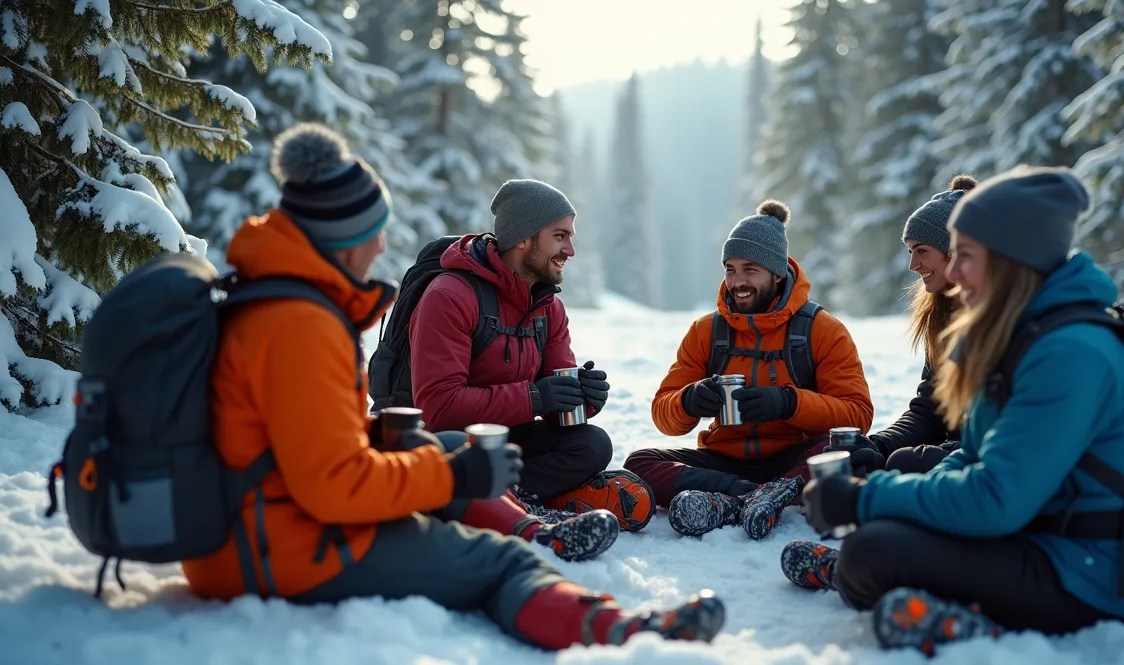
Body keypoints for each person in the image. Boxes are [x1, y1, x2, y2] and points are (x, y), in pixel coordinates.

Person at [182, 123, 725, 650]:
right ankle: (625, 632)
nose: (380, 249)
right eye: (375, 232)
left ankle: (531, 524)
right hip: (276, 542)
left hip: (254, 521)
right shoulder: (309, 323)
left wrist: (574, 395)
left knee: (504, 449)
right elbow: (341, 480)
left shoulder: (277, 303)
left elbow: (313, 450)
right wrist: (446, 477)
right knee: (497, 557)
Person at [782, 166, 1124, 655]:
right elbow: (970, 454)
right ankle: (902, 586)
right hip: (1044, 533)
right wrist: (879, 485)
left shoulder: (1070, 352)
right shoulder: (1019, 335)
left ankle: (971, 628)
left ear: (1010, 258)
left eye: (964, 255)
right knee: (883, 536)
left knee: (870, 552)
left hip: (1100, 573)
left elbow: (995, 498)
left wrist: (865, 500)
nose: (955, 270)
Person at [406, 178, 655, 537]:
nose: (570, 249)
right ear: (523, 239)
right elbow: (438, 408)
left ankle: (507, 500)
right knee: (460, 454)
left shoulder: (547, 306)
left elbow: (559, 408)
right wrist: (535, 396)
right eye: (559, 236)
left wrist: (582, 397)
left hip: (508, 443)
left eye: (570, 236)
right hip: (447, 446)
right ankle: (516, 510)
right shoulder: (450, 296)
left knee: (593, 443)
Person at [625, 199, 874, 540]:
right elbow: (663, 414)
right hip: (724, 459)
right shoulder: (706, 332)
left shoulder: (821, 329)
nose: (737, 281)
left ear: (776, 272)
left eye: (750, 269)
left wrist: (788, 403)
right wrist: (690, 401)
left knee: (852, 451)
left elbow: (857, 414)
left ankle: (737, 499)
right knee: (639, 464)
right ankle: (749, 494)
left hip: (793, 457)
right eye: (730, 268)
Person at [833, 175, 976, 476]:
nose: (913, 265)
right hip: (962, 454)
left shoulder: (1003, 319)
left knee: (904, 464)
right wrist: (878, 445)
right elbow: (929, 411)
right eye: (910, 252)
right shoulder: (943, 318)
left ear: (956, 251)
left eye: (922, 251)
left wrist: (922, 456)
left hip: (991, 462)